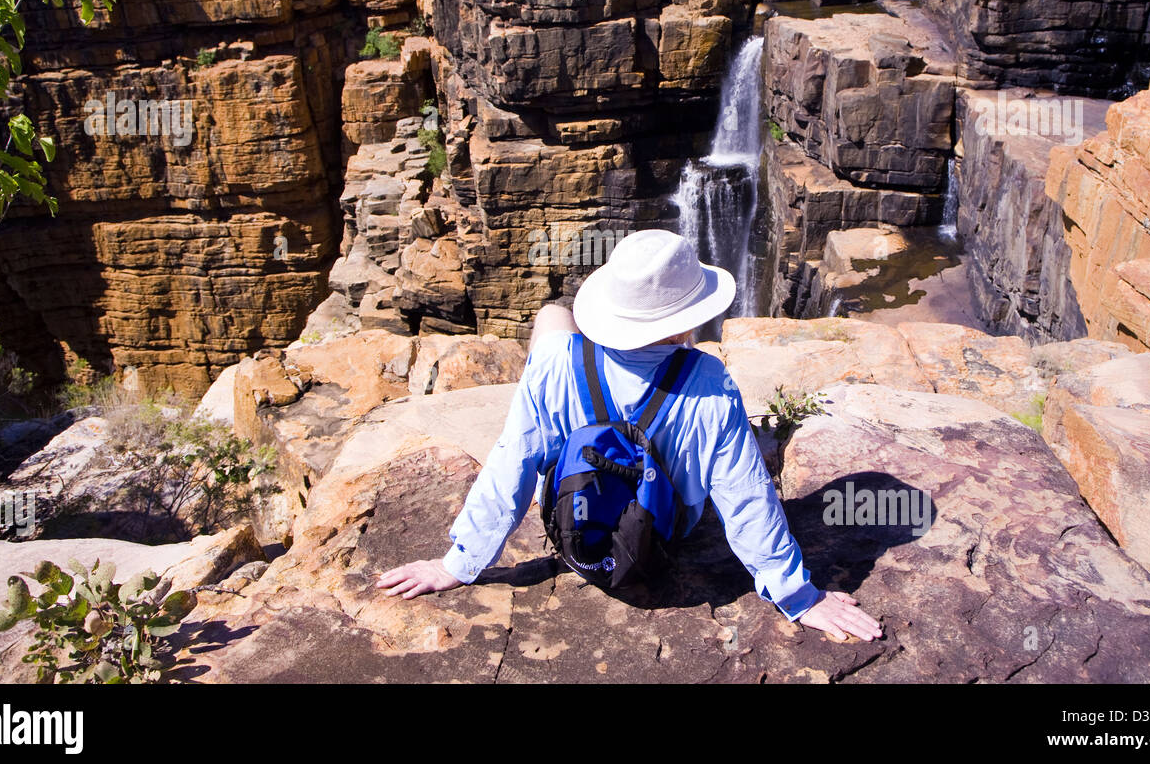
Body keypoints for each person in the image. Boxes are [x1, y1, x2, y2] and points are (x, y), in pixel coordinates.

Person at [377, 229, 883, 643]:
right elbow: (746, 496)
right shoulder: (710, 383)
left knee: (553, 317)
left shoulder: (554, 363)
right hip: (663, 534)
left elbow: (513, 460)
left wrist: (459, 564)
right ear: (684, 322)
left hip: (573, 521)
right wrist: (798, 595)